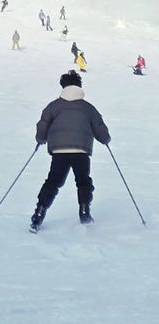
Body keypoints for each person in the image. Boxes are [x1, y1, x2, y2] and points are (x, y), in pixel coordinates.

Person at [30, 70, 111, 231]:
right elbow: (100, 128)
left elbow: (43, 124)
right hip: (81, 151)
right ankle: (84, 212)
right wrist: (105, 139)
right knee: (83, 181)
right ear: (79, 86)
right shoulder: (88, 108)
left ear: (63, 86)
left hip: (59, 151)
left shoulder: (53, 106)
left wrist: (41, 139)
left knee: (53, 182)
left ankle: (39, 214)